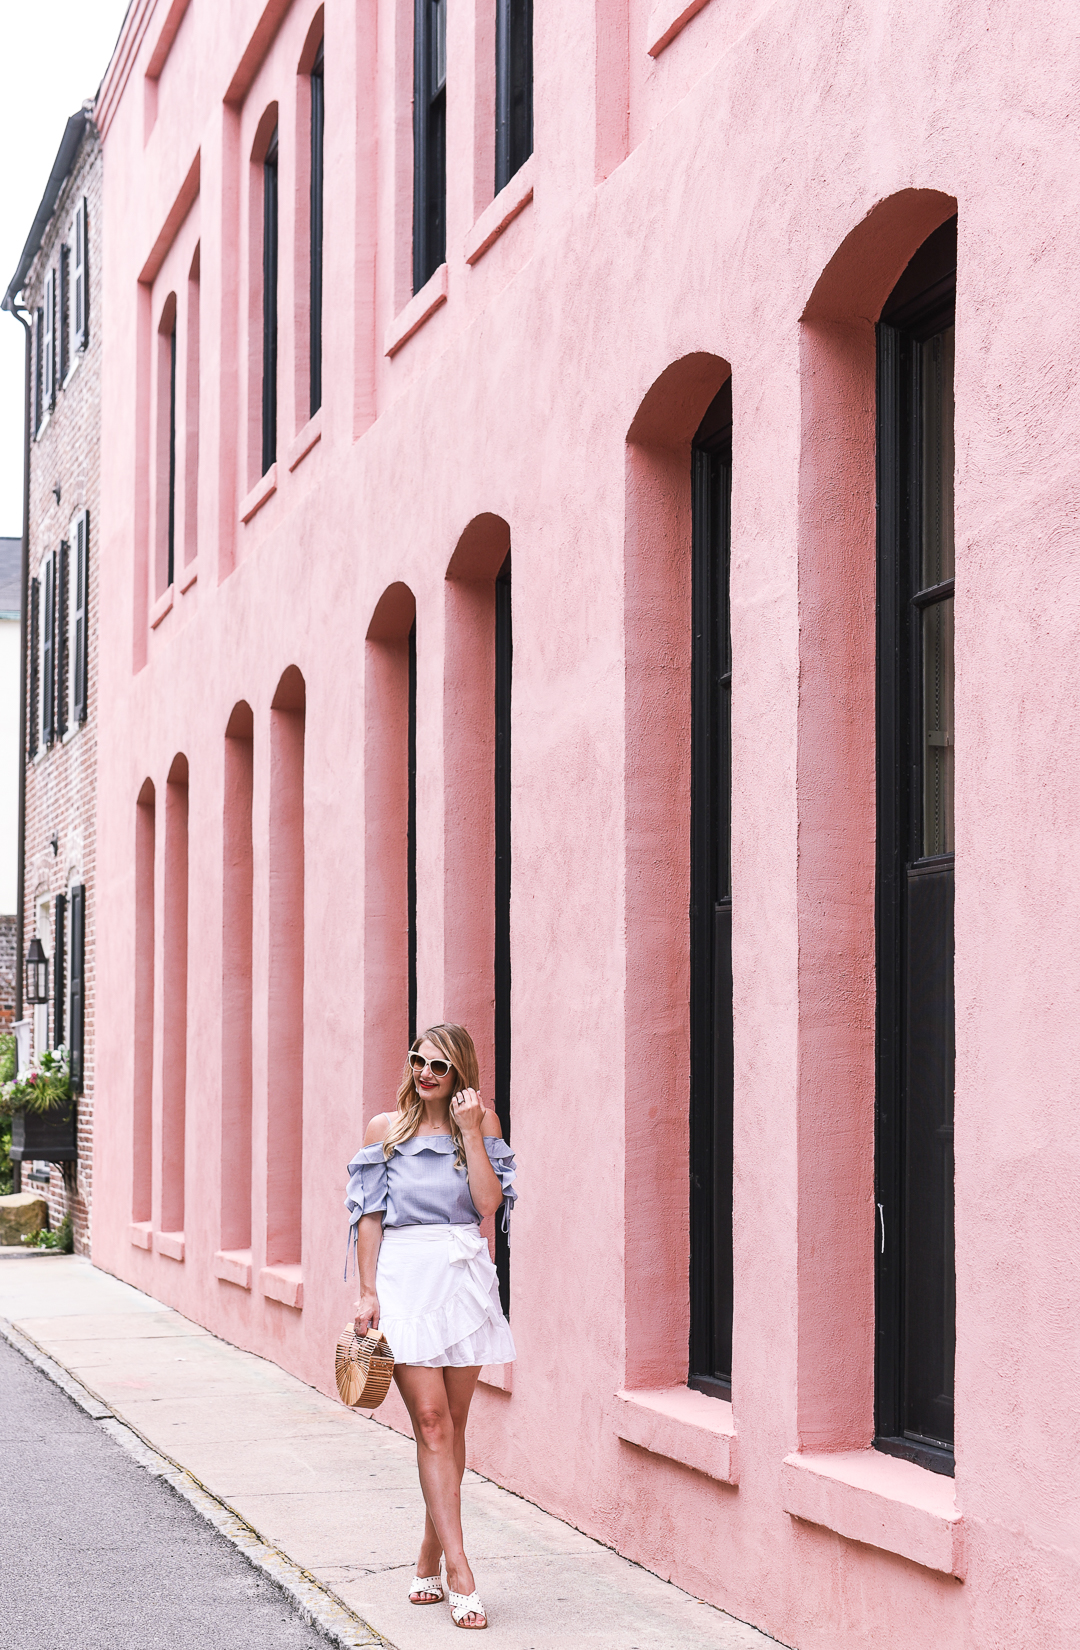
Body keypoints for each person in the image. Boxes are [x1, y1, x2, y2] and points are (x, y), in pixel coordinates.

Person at [346, 1023, 517, 1632]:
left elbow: (488, 1207)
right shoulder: (384, 1130)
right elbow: (368, 1217)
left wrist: (472, 1131)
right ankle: (461, 1569)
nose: (425, 1073)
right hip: (403, 1278)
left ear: (460, 1072)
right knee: (430, 1420)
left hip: (462, 1276)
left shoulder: (482, 1124)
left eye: (439, 1066)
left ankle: (428, 1551)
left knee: (456, 1421)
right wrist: (366, 1292)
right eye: (418, 1061)